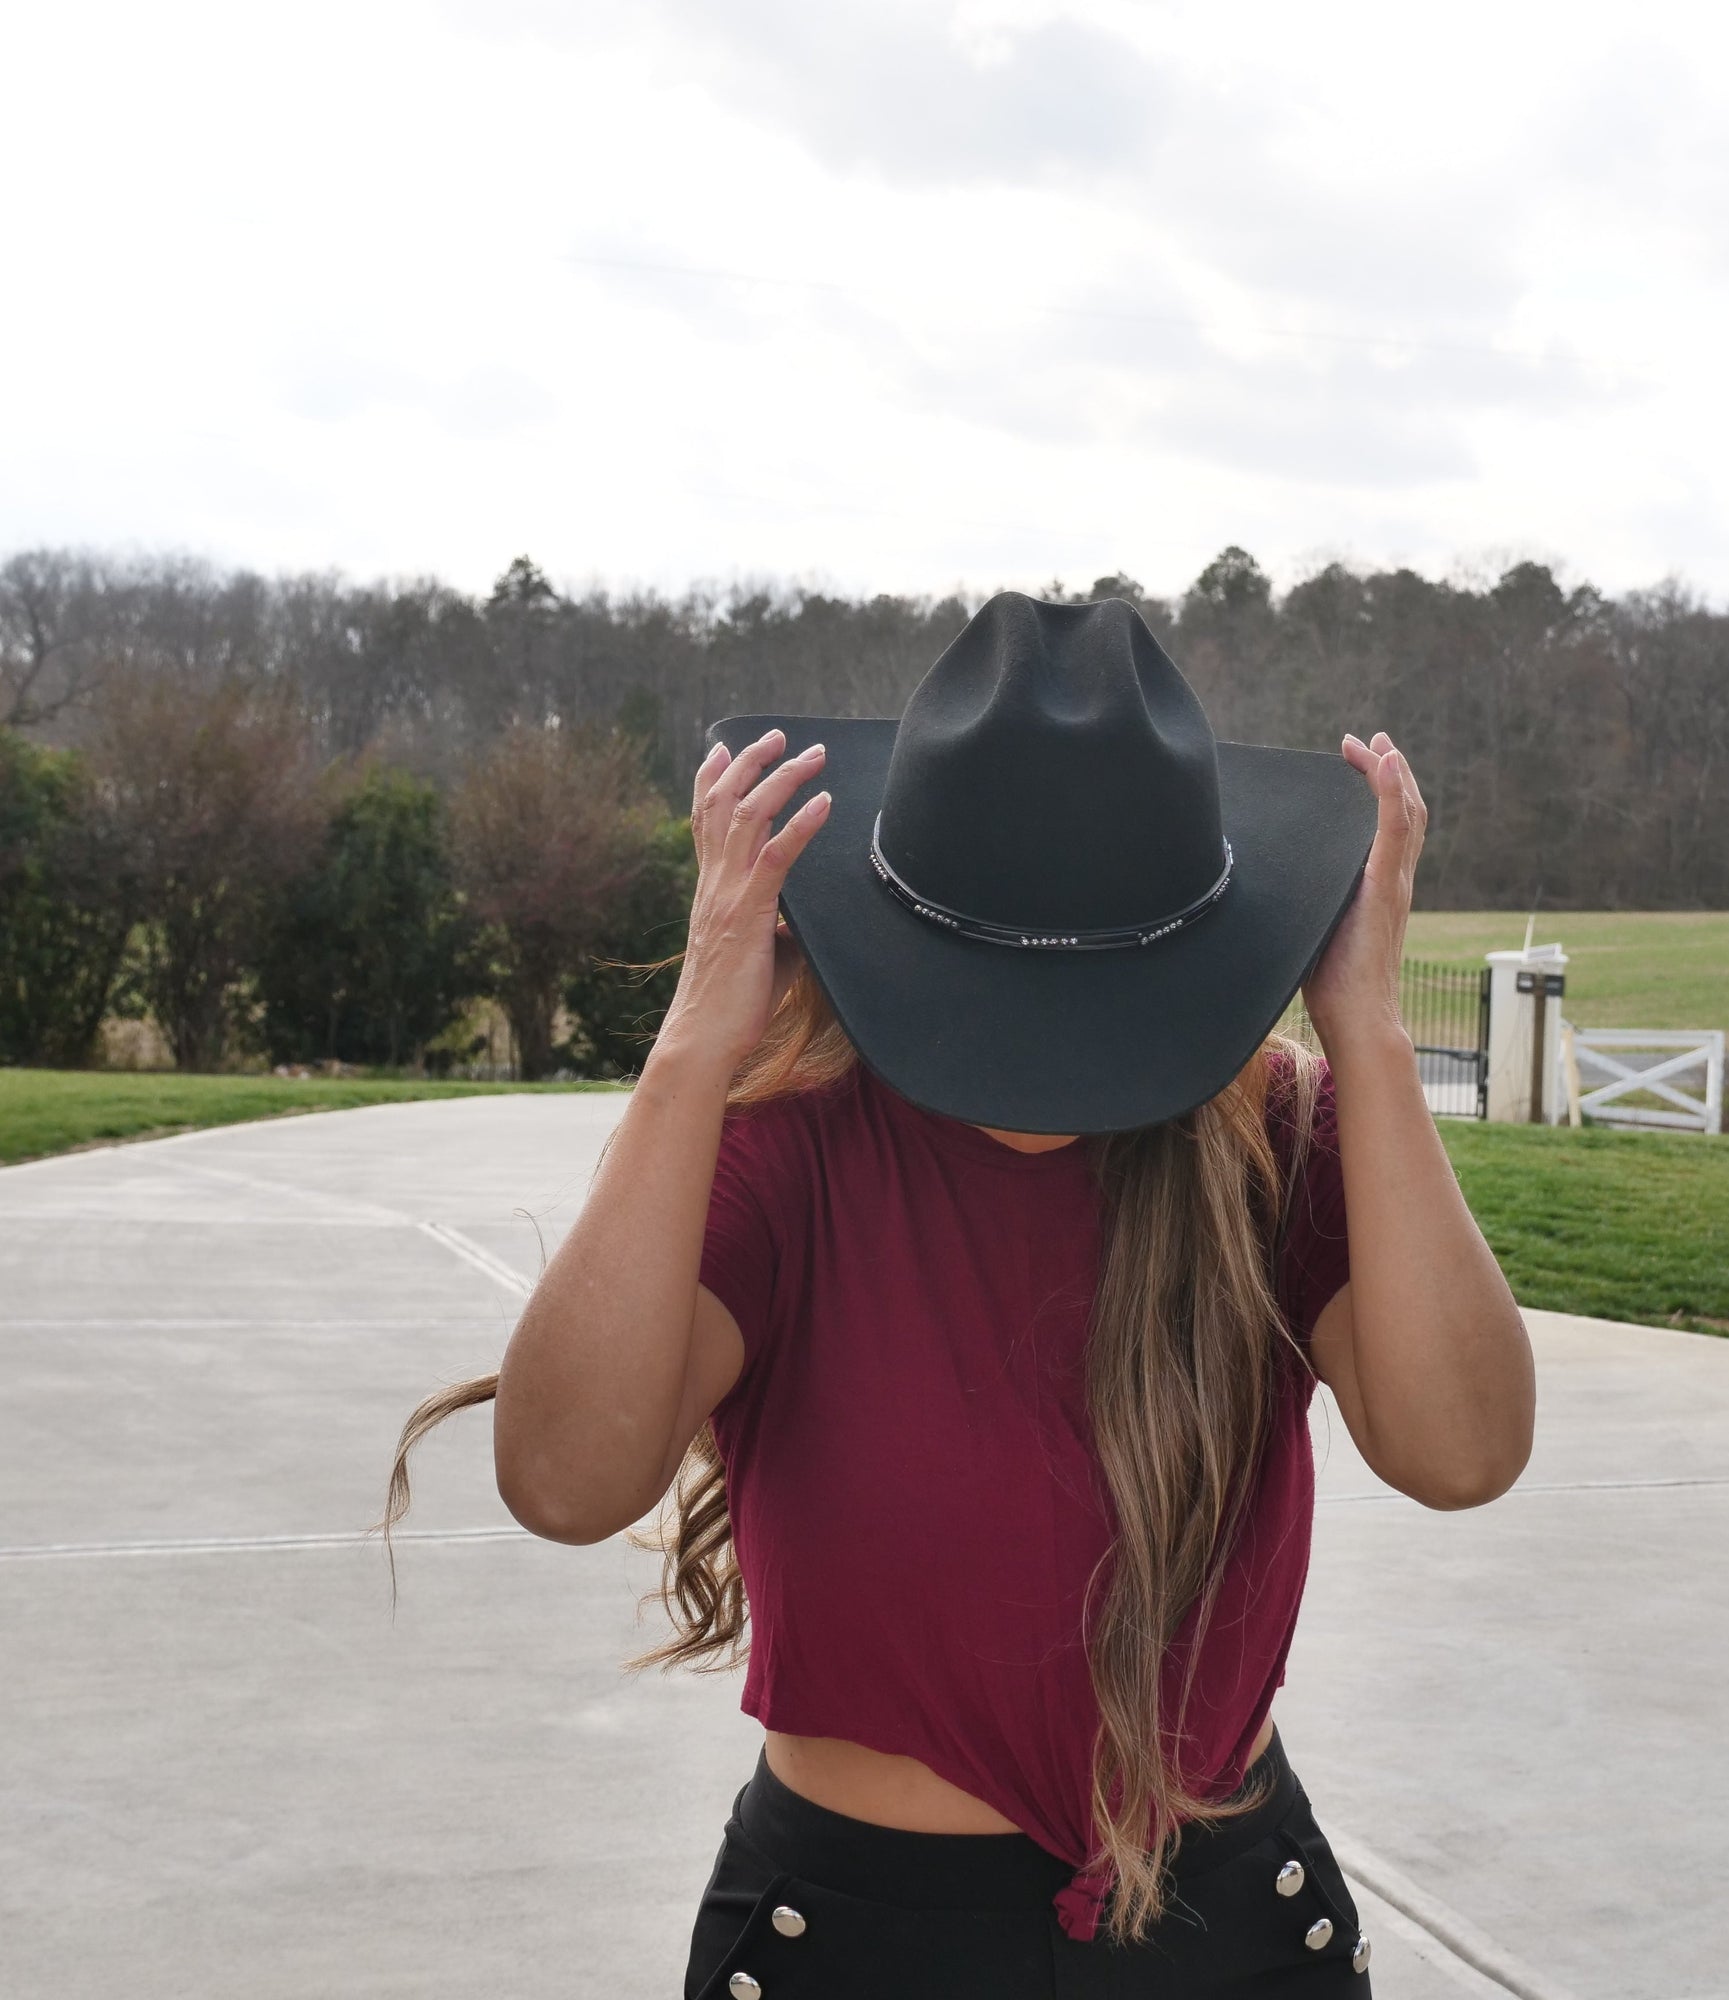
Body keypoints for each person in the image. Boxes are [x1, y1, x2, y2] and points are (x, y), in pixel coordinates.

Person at [384, 591, 1536, 1998]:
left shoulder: (1275, 1142)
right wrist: (695, 1036)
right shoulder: (786, 1151)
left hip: (1230, 1934)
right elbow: (565, 1478)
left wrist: (1364, 1026)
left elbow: (1464, 1451)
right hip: (862, 1941)